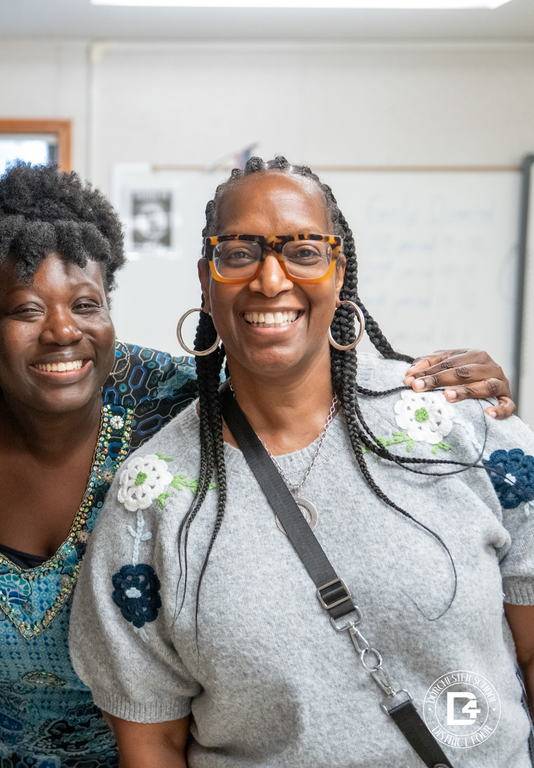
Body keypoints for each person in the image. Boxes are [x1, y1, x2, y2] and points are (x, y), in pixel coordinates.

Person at [0, 163, 516, 768]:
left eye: (86, 305)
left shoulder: (167, 400)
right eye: (23, 310)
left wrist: (434, 383)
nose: (63, 333)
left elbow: (278, 348)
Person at [68, 157, 534, 767]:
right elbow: (153, 743)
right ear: (207, 280)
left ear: (339, 274)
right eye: (239, 252)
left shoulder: (457, 425)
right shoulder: (152, 499)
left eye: (304, 250)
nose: (270, 279)